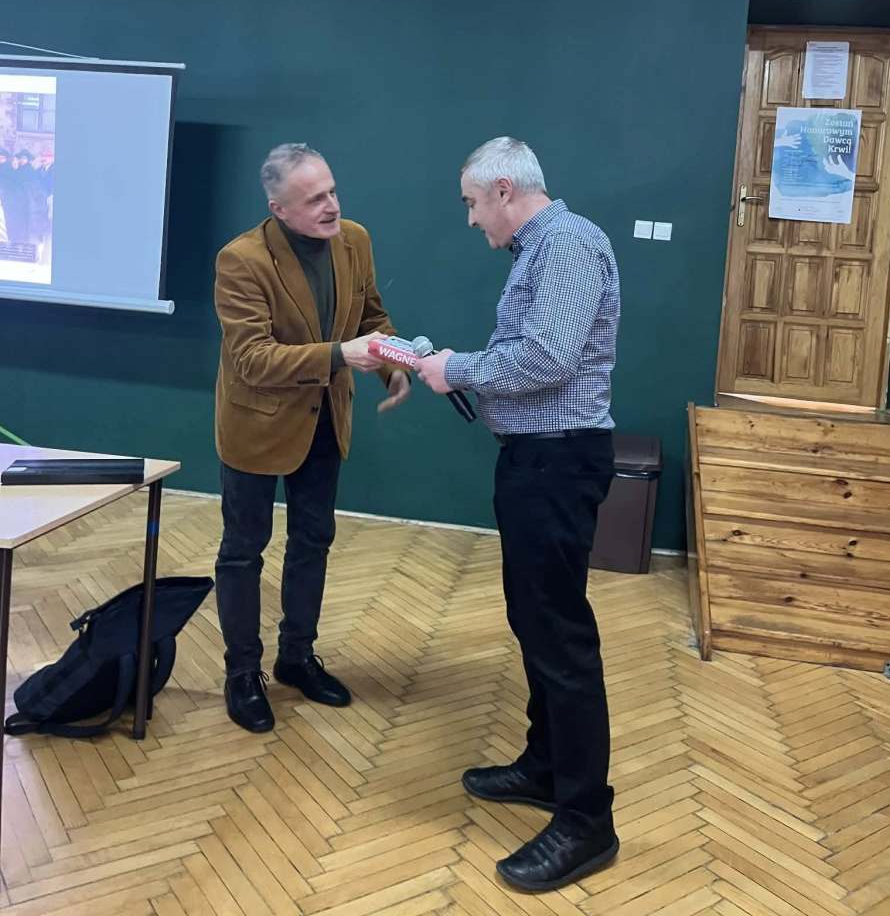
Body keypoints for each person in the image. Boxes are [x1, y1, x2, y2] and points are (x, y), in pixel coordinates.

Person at [416, 137, 621, 892]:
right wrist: (450, 365)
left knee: (560, 636)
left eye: (473, 203)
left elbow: (546, 359)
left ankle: (587, 821)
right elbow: (535, 351)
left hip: (557, 465)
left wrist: (457, 369)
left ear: (504, 190)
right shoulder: (540, 248)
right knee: (534, 619)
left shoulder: (566, 243)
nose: (472, 219)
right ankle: (546, 766)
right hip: (537, 463)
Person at [214, 142, 410, 733]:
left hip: (325, 418)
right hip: (255, 425)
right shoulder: (241, 260)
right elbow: (252, 359)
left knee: (313, 541)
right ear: (278, 209)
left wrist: (396, 365)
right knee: (243, 550)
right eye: (314, 199)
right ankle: (242, 673)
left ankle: (296, 657)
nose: (331, 206)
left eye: (332, 191)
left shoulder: (355, 240)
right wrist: (339, 355)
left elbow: (372, 318)